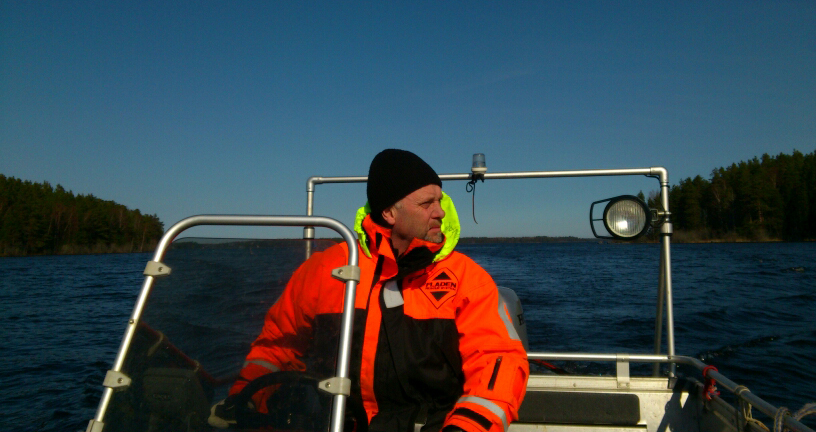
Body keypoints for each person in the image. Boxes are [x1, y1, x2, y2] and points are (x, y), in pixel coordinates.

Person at [214, 149, 529, 432]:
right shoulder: (326, 270)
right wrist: (247, 397)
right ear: (390, 213)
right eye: (427, 203)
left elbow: (498, 359)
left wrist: (466, 427)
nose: (441, 212)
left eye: (440, 201)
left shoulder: (464, 277)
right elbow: (277, 348)